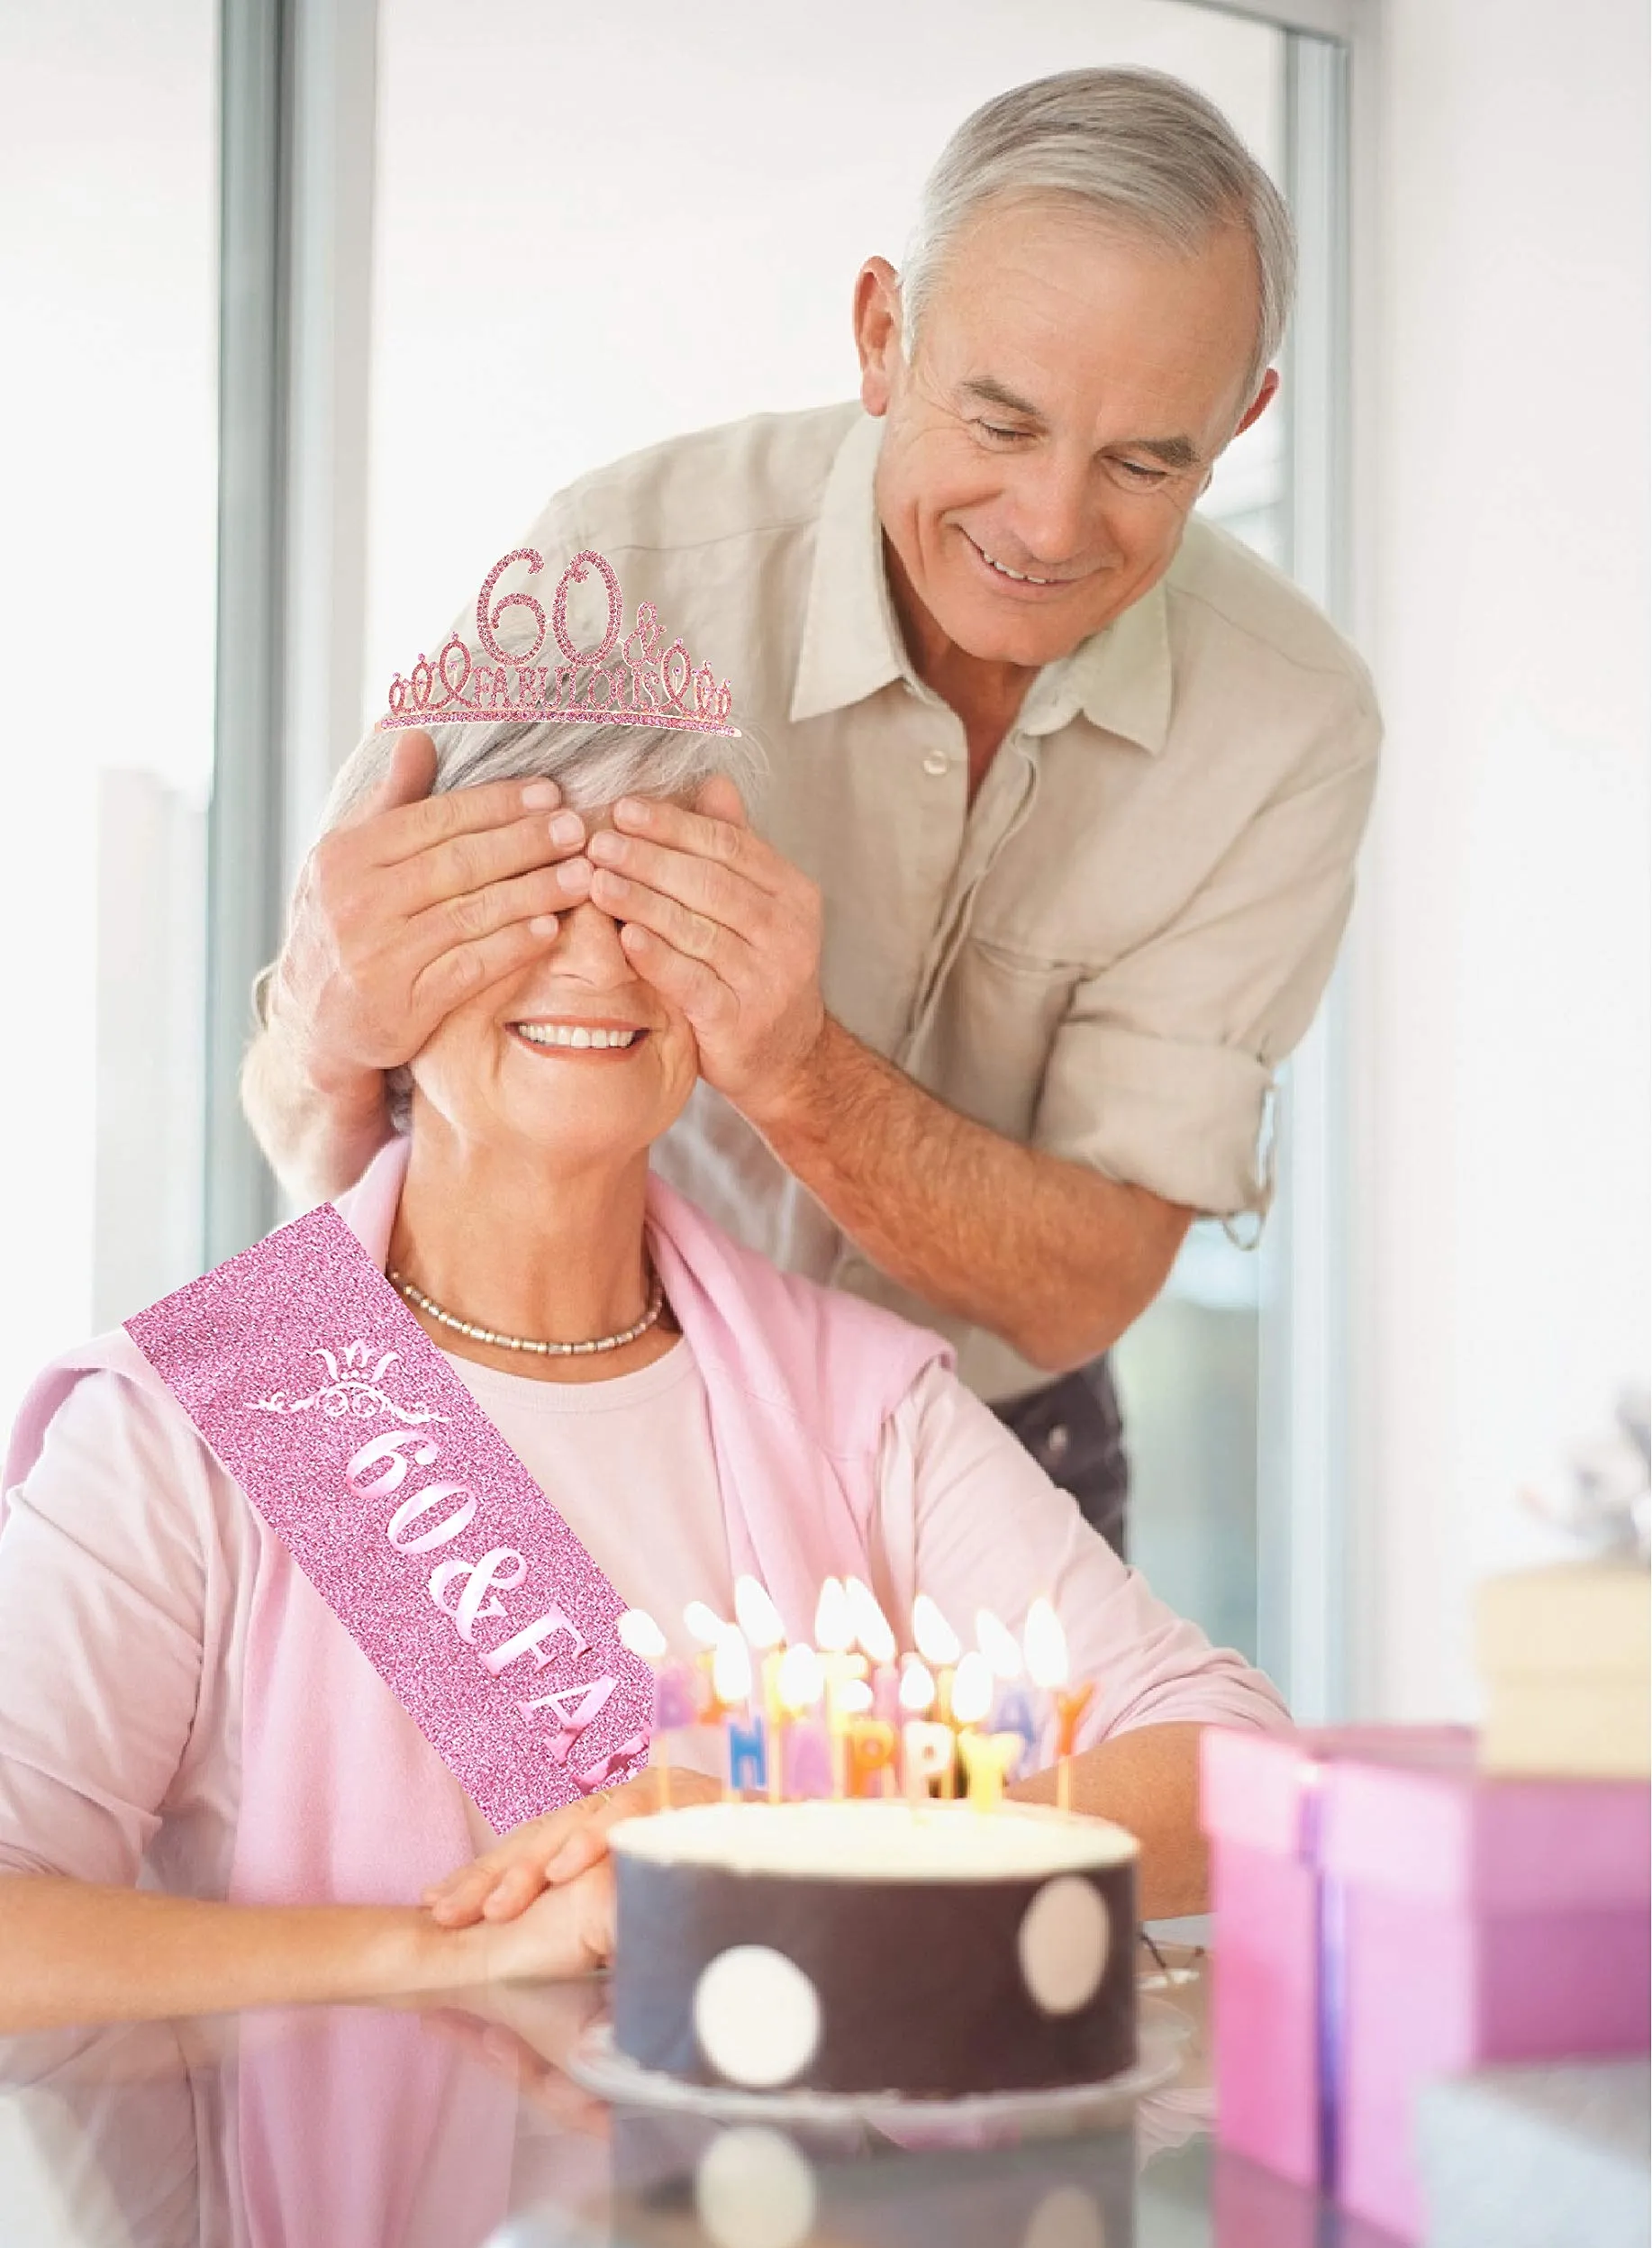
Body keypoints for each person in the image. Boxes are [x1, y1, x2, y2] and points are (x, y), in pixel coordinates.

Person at [0, 658, 1286, 2037]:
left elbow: (1238, 1770)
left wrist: (825, 1844)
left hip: (784, 2242)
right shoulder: (193, 1417)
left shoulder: (852, 1398)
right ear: (374, 970)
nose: (597, 960)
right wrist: (467, 1952)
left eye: (650, 906)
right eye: (524, 902)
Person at [241, 69, 1382, 1558]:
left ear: (1239, 425)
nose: (1046, 527)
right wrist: (333, 1021)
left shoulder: (1288, 721)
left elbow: (1078, 1298)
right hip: (516, 1407)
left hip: (971, 1433)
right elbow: (305, 1106)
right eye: (999, 421)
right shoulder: (628, 567)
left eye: (1141, 461)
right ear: (882, 337)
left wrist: (792, 1067)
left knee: (995, 1800)